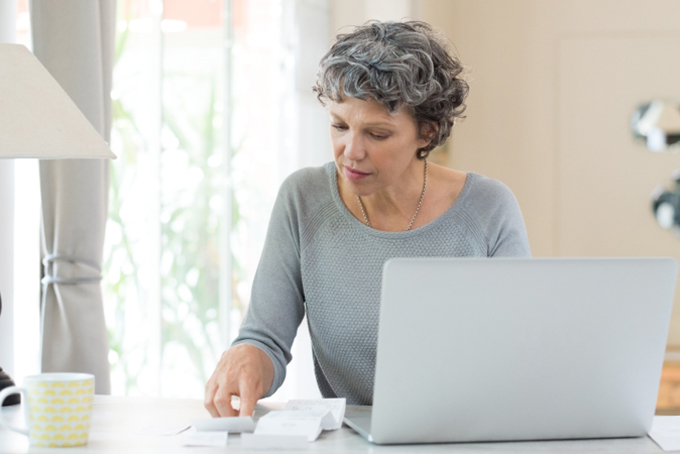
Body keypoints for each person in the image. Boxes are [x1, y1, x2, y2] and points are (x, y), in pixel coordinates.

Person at [204, 21, 531, 417]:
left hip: (468, 434)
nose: (351, 151)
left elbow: (517, 354)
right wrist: (248, 355)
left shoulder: (488, 208)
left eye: (377, 134)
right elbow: (266, 339)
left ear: (426, 133)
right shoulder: (303, 199)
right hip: (352, 439)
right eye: (340, 126)